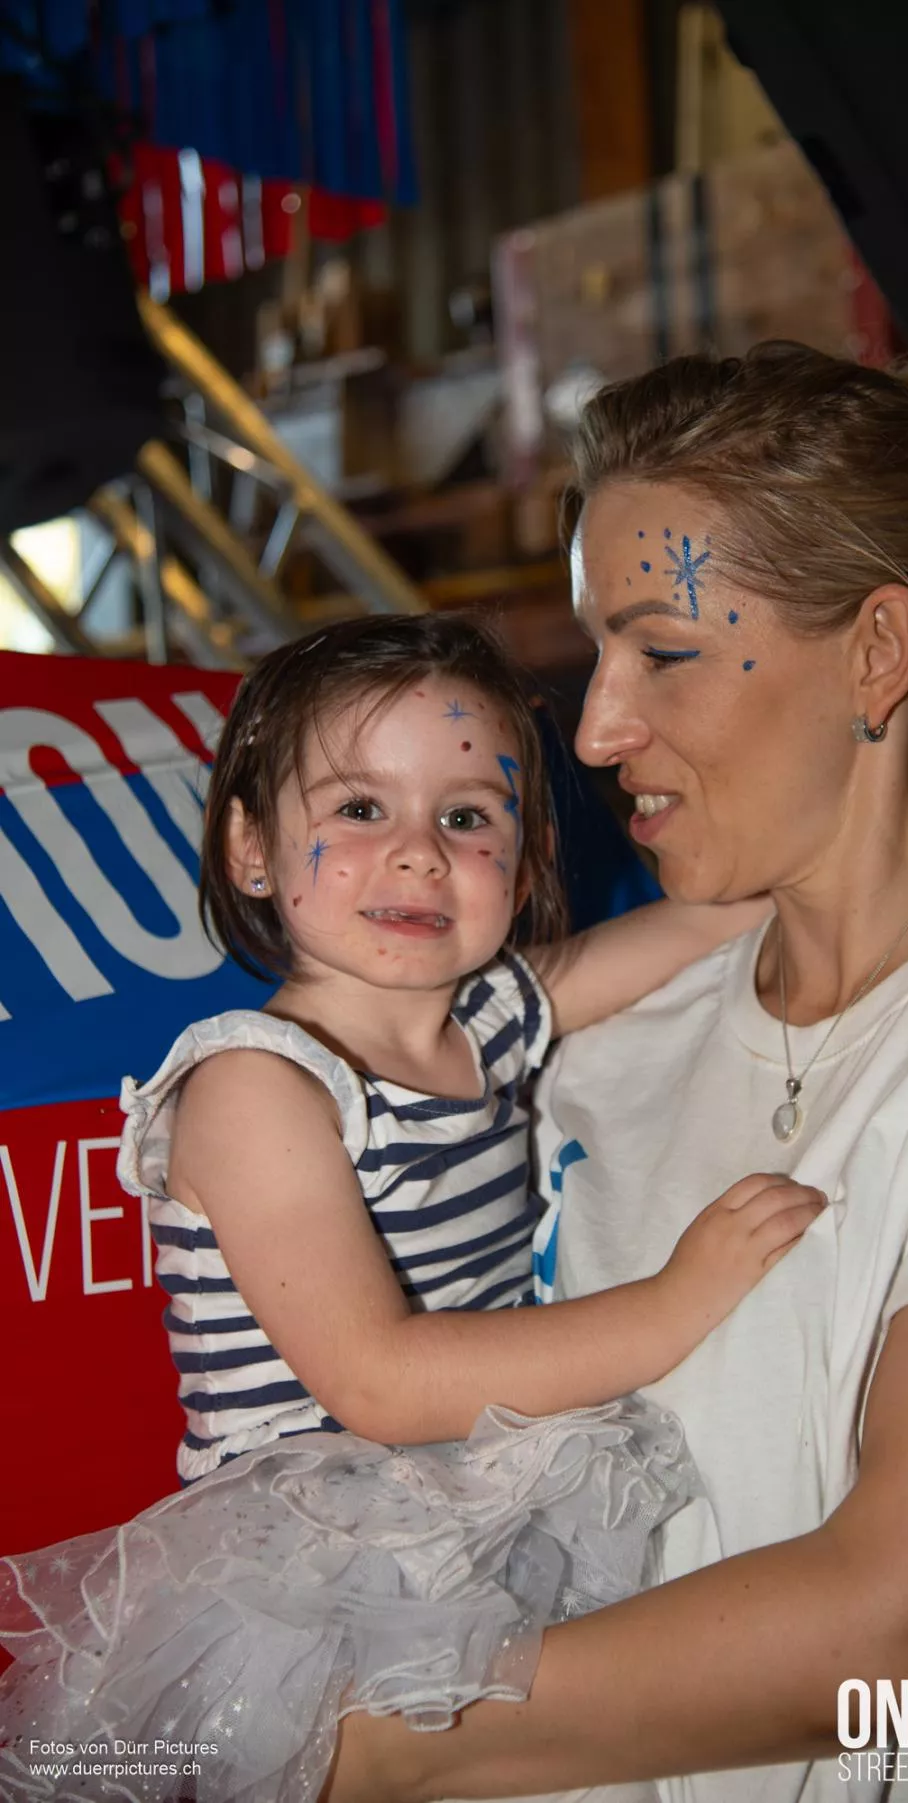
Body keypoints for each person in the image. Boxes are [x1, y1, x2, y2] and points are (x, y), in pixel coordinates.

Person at [322, 318, 908, 1803]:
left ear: (877, 651)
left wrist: (372, 1745)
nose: (596, 729)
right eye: (599, 652)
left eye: (661, 652)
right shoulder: (603, 1047)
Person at [0, 612, 829, 1802]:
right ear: (250, 848)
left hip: (482, 1506)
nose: (417, 854)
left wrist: (905, 831)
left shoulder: (492, 1018)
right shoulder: (257, 1086)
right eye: (357, 807)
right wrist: (674, 1304)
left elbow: (720, 918)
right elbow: (380, 1383)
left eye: (467, 817)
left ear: (527, 862)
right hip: (320, 1579)